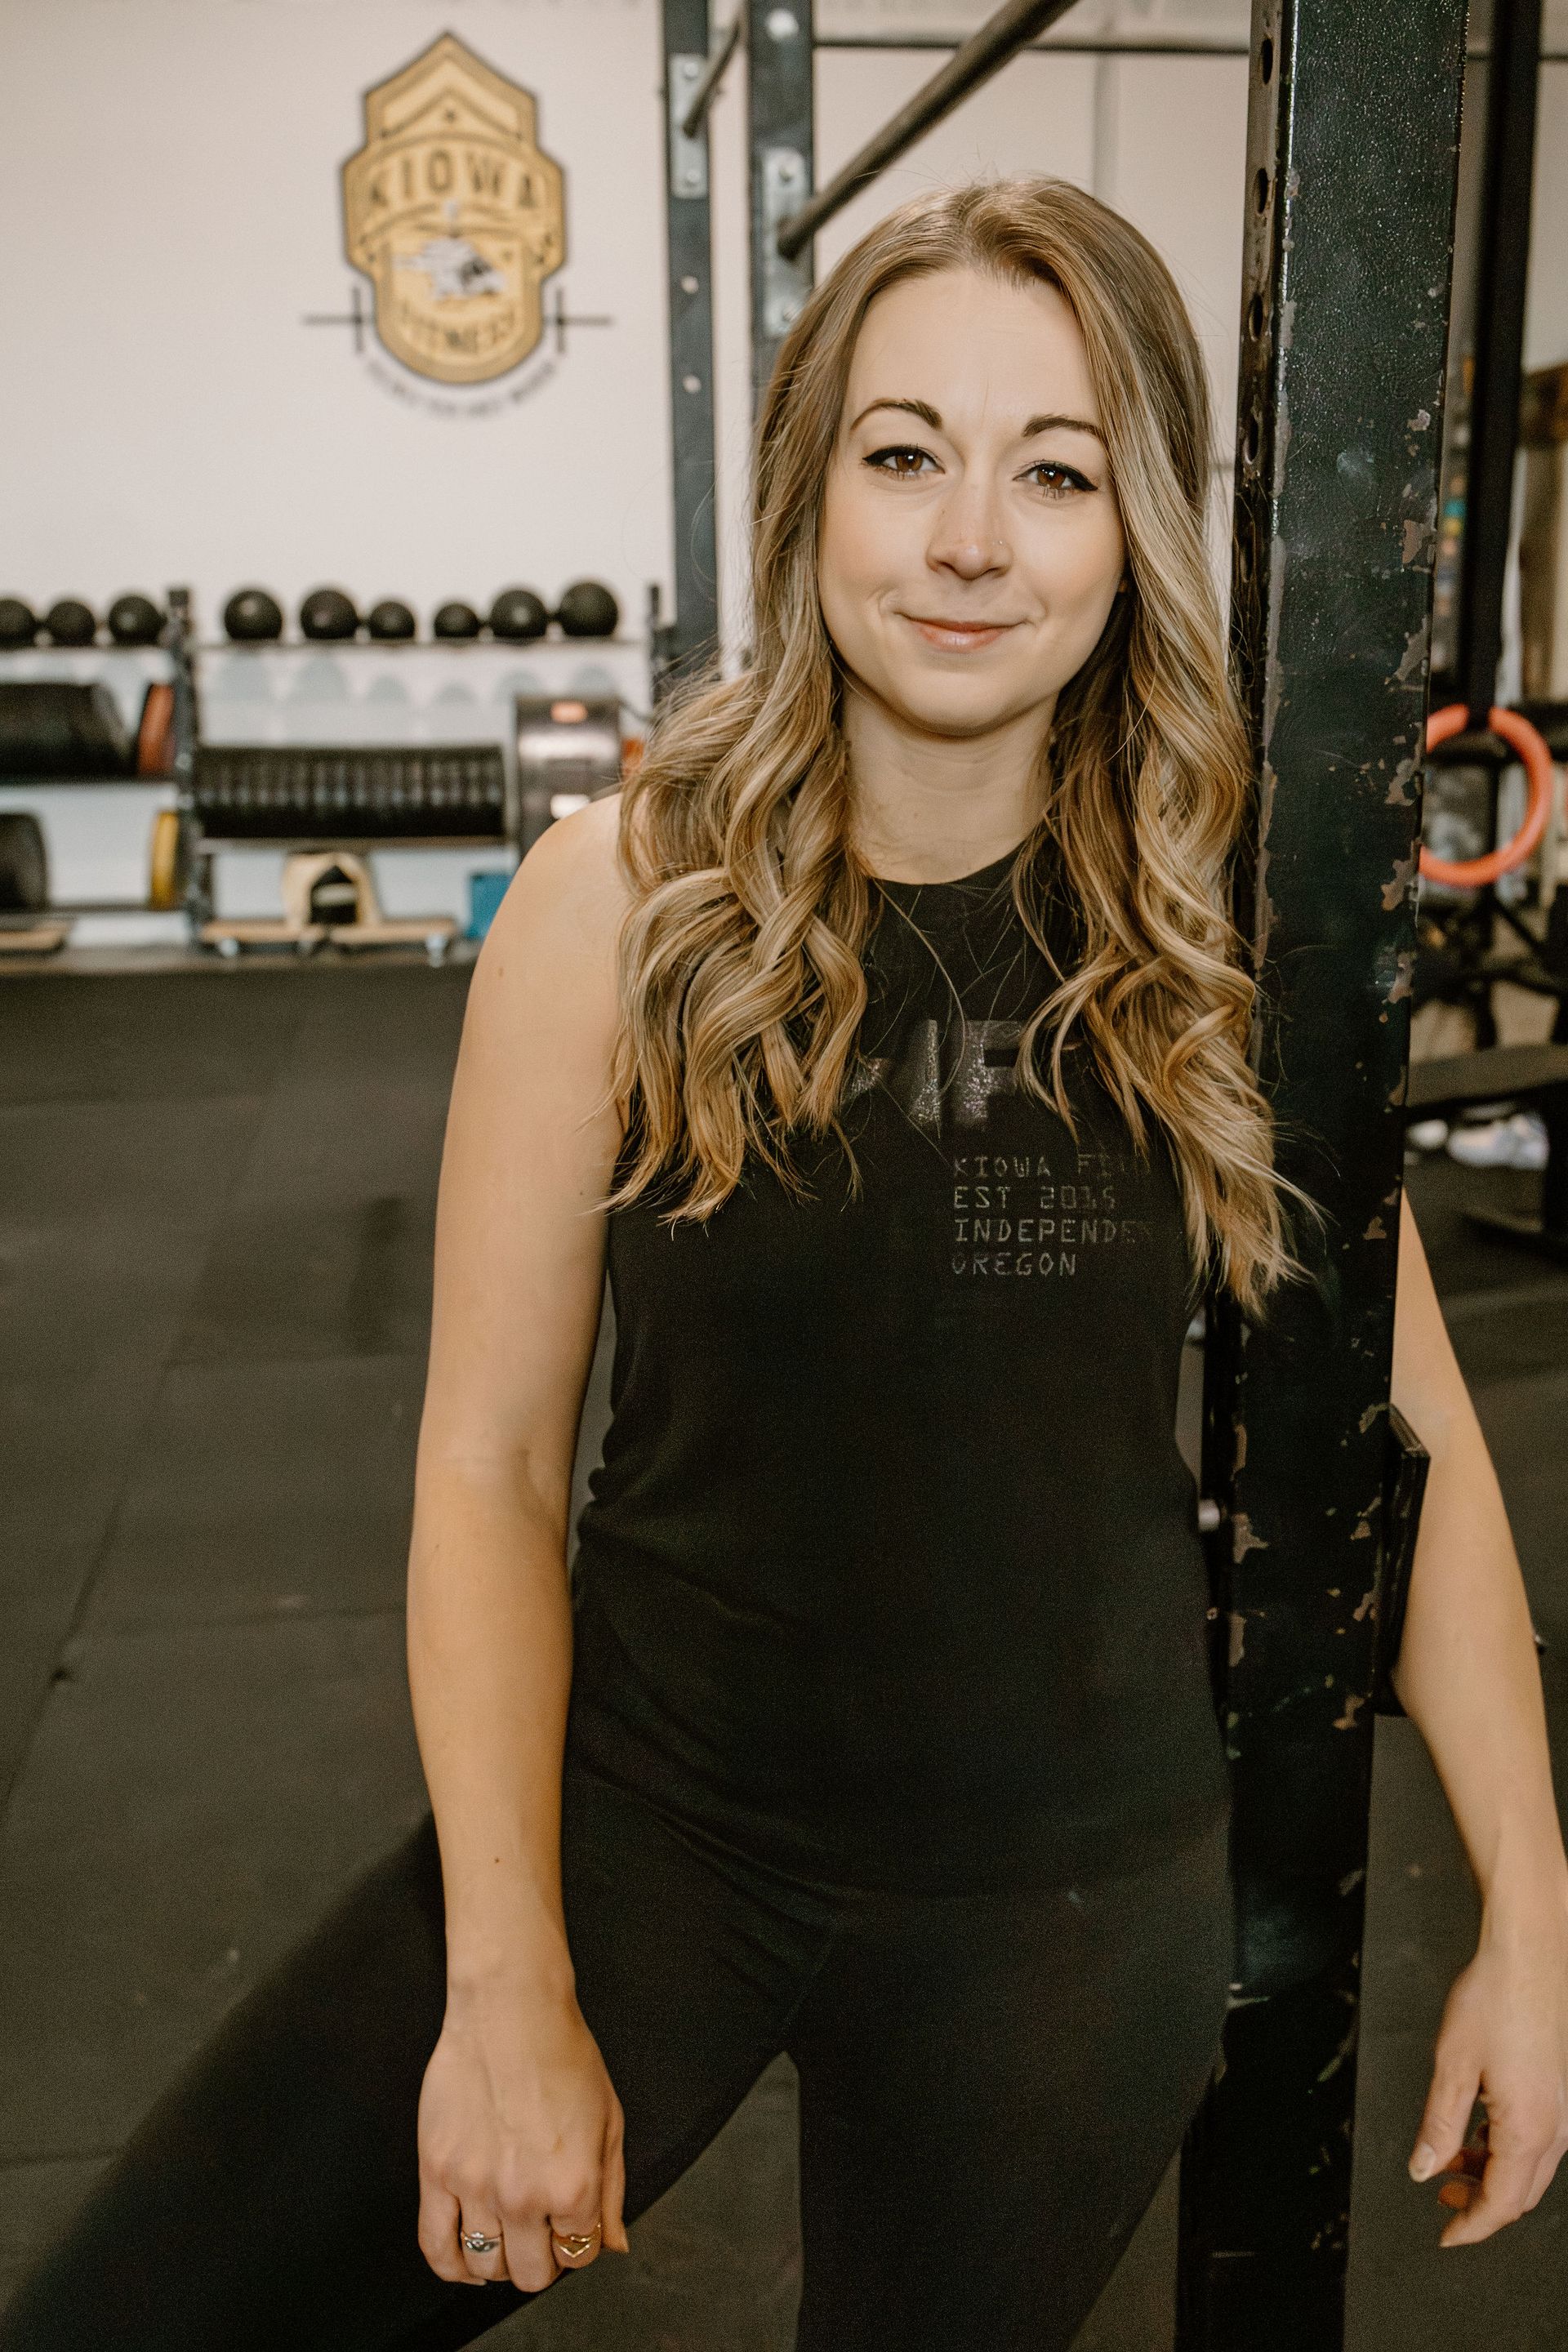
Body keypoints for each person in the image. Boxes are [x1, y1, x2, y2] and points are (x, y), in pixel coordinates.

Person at [6, 176, 1566, 2352]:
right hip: (657, 1826)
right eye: (905, 451)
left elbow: (1413, 1445)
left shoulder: (1228, 942)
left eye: (1057, 474)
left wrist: (1539, 1915)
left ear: (1136, 538)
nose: (968, 540)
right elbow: (484, 1463)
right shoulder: (615, 904)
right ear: (805, 490)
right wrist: (509, 1986)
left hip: (1062, 1902)